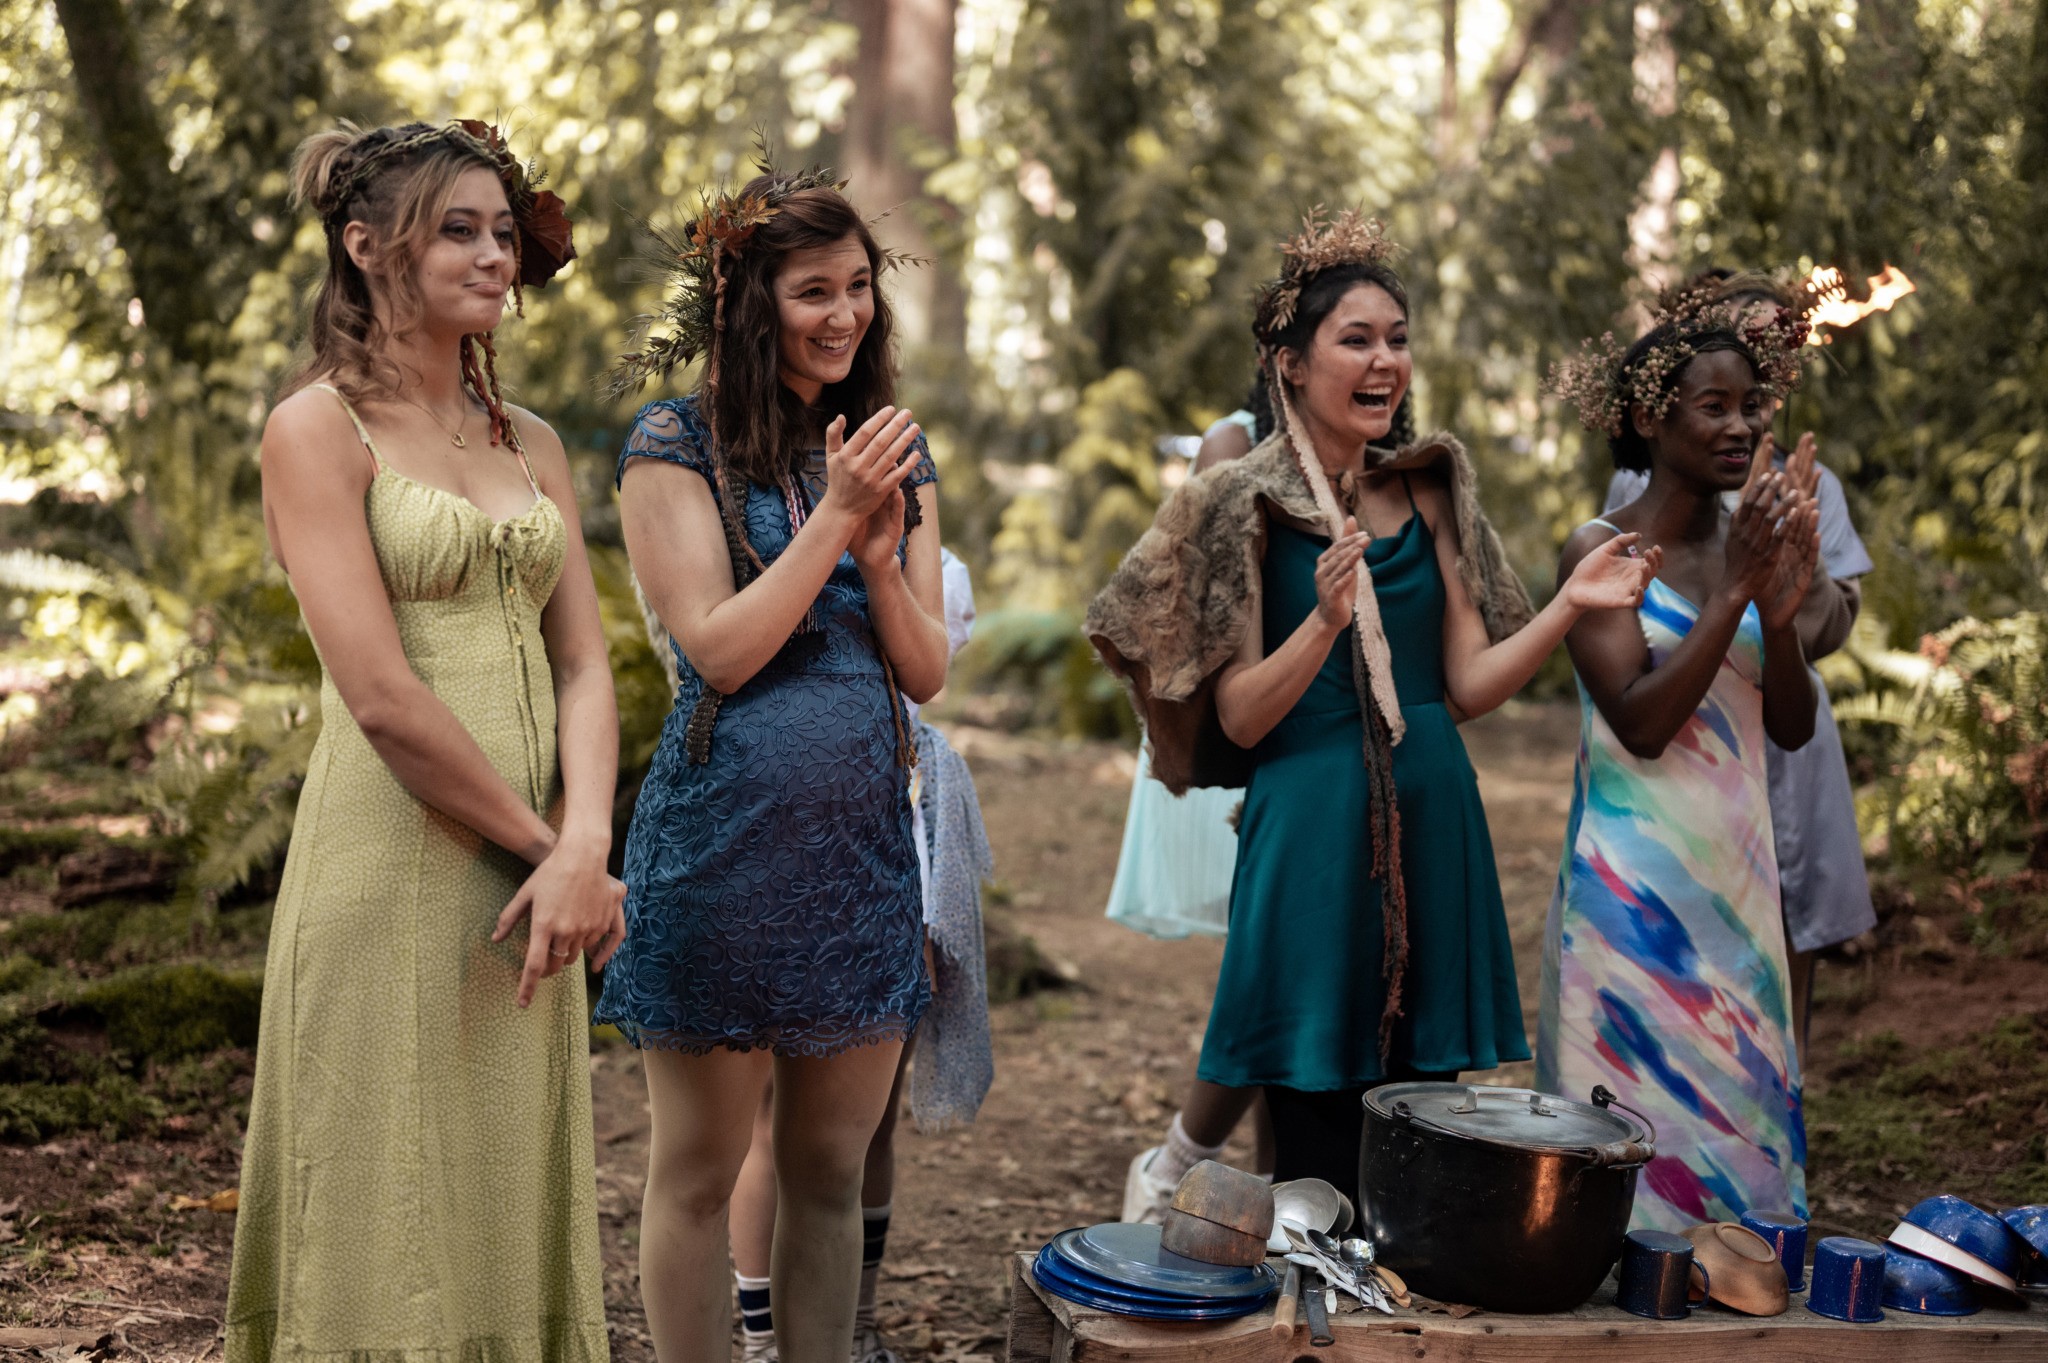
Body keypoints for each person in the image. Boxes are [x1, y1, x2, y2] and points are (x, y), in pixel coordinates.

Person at [1088, 212, 1656, 1208]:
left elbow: (1468, 685)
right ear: (1288, 364)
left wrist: (1570, 606)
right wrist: (1321, 623)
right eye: (1355, 338)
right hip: (1309, 825)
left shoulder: (1429, 486)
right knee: (1309, 1117)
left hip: (1434, 816)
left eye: (1395, 338)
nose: (1383, 359)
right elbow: (1244, 718)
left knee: (1414, 1121)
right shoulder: (1245, 501)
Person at [227, 120, 617, 1360]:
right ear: (365, 245)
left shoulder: (533, 443)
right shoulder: (315, 430)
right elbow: (383, 697)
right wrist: (545, 847)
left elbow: (585, 662)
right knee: (385, 1197)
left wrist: (587, 843)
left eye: (504, 231)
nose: (497, 255)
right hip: (392, 861)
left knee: (501, 1184)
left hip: (541, 878)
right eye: (460, 229)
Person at [595, 161, 948, 1363]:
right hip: (722, 855)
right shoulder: (671, 445)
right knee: (697, 1173)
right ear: (749, 304)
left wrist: (887, 557)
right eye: (813, 291)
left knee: (829, 1172)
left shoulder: (894, 446)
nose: (843, 313)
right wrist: (839, 521)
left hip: (857, 861)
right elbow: (721, 650)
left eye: (857, 288)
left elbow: (926, 670)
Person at [1539, 285, 1821, 1231]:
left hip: (1738, 891)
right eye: (1715, 406)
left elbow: (1787, 728)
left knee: (1737, 1140)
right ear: (1652, 420)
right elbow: (1641, 720)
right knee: (1620, 1145)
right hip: (1632, 896)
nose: (1741, 425)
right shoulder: (1602, 548)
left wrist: (1779, 621)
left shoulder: (1753, 546)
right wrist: (1738, 590)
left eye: (1751, 405)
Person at [725, 547, 993, 1363]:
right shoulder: (741, 527)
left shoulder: (925, 551)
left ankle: (855, 1325)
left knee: (863, 1122)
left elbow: (931, 659)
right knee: (773, 1116)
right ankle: (765, 1338)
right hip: (780, 819)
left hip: (897, 820)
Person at [1605, 271, 1876, 1056]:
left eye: (1763, 370)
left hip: (1779, 747)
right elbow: (1626, 666)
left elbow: (1823, 632)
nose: (1745, 402)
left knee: (1776, 968)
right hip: (1677, 774)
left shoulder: (1808, 482)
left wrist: (1793, 568)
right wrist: (1733, 582)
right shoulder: (1639, 490)